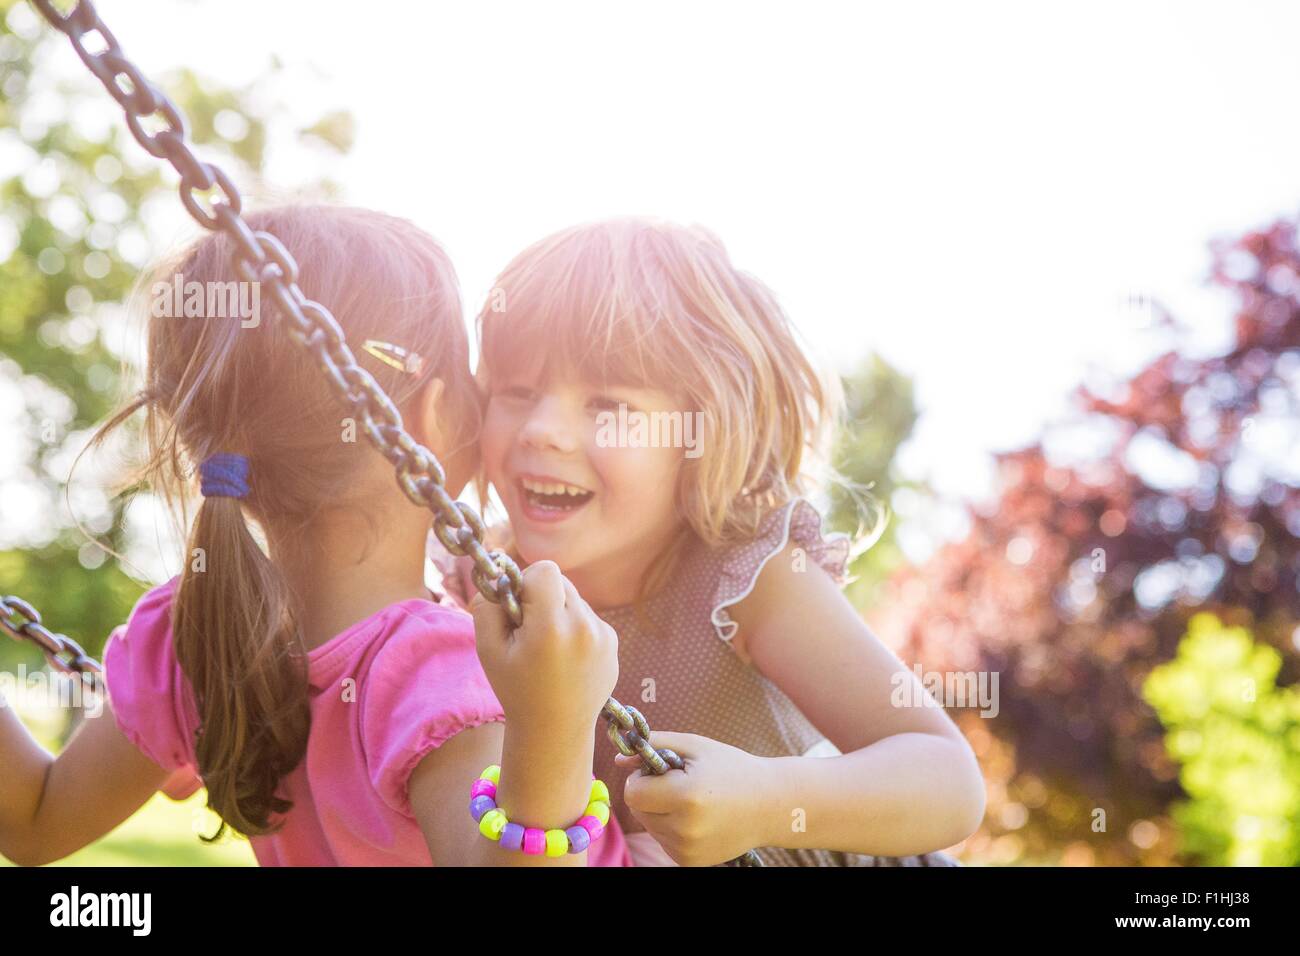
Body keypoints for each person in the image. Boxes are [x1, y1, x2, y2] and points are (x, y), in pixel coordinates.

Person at [0, 206, 629, 867]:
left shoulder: (194, 636)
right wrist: (554, 727)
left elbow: (35, 820)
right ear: (433, 417)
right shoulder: (435, 675)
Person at [434, 217, 985, 866]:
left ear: (701, 432)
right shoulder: (488, 591)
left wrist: (765, 799)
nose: (542, 430)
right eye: (517, 392)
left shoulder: (746, 578)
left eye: (609, 406)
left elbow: (950, 781)